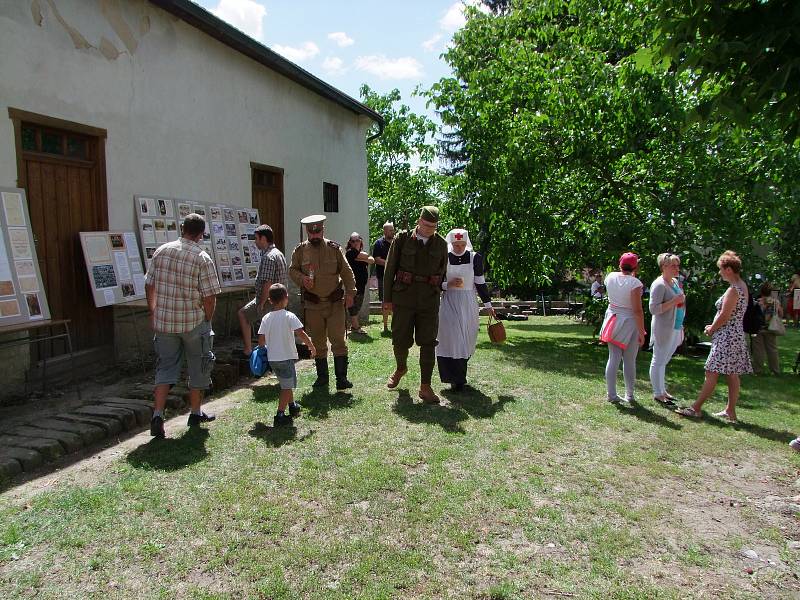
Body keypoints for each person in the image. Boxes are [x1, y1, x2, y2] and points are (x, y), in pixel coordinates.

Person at [145, 213, 221, 438]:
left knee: (165, 367)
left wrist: (153, 311)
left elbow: (149, 285)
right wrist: (207, 317)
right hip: (192, 322)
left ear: (182, 228)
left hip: (165, 322)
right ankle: (195, 412)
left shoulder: (161, 251)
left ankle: (158, 414)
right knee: (198, 365)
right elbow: (209, 296)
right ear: (201, 233)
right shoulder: (202, 257)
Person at [677, 251, 752, 423]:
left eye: (721, 269)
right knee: (732, 374)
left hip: (727, 336)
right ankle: (730, 411)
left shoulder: (734, 289)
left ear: (728, 269)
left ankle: (696, 408)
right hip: (736, 335)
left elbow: (725, 315)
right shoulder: (742, 285)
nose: (719, 272)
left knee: (712, 371)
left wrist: (711, 329)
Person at [383, 206, 448, 404]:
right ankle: (401, 367)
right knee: (400, 338)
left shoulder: (441, 244)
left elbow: (442, 271)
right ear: (419, 221)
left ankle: (425, 386)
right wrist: (387, 299)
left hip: (428, 299)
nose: (429, 229)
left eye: (433, 226)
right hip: (404, 297)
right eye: (427, 225)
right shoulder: (401, 239)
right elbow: (389, 269)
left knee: (428, 342)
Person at [289, 215, 357, 390]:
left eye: (317, 232)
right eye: (311, 233)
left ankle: (341, 378)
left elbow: (347, 272)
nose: (314, 236)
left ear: (322, 230)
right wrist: (302, 279)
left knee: (338, 340)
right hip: (313, 305)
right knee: (318, 341)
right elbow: (292, 270)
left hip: (335, 303)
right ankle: (322, 378)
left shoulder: (334, 249)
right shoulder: (300, 251)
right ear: (307, 232)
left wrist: (351, 293)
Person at [436, 228, 495, 392]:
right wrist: (448, 285)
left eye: (462, 244)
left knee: (468, 337)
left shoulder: (475, 257)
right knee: (452, 338)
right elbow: (437, 282)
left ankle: (459, 374)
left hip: (468, 302)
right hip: (450, 302)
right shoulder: (445, 258)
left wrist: (488, 305)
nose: (459, 248)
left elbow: (480, 283)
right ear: (451, 243)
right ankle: (456, 379)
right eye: (456, 245)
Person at [257, 284, 316, 427]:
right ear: (286, 298)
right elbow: (301, 333)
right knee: (286, 386)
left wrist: (262, 349)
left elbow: (261, 340)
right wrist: (311, 346)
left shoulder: (266, 318)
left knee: (285, 382)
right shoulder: (289, 316)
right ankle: (280, 414)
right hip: (285, 357)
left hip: (273, 359)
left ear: (270, 300)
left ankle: (292, 405)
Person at [599, 252, 645, 404]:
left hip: (613, 319)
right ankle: (629, 395)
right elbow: (637, 310)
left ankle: (611, 394)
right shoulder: (635, 283)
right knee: (629, 360)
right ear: (635, 266)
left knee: (613, 358)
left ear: (620, 264)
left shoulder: (610, 277)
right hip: (629, 322)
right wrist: (641, 331)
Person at [237, 224, 287, 358]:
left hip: (269, 299)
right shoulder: (278, 253)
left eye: (256, 238)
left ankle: (251, 351)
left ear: (263, 238)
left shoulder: (268, 257)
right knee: (268, 328)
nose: (255, 241)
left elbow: (268, 283)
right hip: (278, 298)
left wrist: (262, 302)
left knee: (244, 315)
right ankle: (266, 353)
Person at [648, 253, 686, 406]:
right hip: (663, 328)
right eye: (673, 266)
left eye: (678, 265)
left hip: (675, 327)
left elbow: (680, 301)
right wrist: (674, 302)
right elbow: (653, 309)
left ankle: (663, 390)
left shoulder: (675, 282)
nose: (677, 269)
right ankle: (658, 393)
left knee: (664, 360)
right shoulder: (659, 284)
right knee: (658, 360)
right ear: (664, 267)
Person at [344, 232, 374, 335]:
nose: (356, 243)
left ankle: (354, 326)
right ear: (350, 243)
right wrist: (364, 257)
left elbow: (372, 260)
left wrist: (362, 258)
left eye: (357, 240)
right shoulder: (350, 252)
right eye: (353, 241)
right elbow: (367, 256)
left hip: (361, 285)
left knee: (358, 304)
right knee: (354, 306)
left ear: (360, 241)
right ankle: (356, 327)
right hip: (353, 284)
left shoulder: (358, 253)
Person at [751, 282, 783, 375]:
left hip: (757, 328)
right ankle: (775, 370)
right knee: (772, 349)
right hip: (771, 328)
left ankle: (757, 370)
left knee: (758, 350)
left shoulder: (757, 301)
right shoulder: (775, 302)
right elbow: (781, 314)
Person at [372, 222, 395, 334]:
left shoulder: (397, 242)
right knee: (385, 301)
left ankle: (395, 325)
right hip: (383, 277)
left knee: (396, 300)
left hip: (397, 277)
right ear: (385, 231)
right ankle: (385, 326)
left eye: (393, 230)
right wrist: (390, 264)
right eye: (390, 230)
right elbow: (377, 259)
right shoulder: (378, 243)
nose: (392, 232)